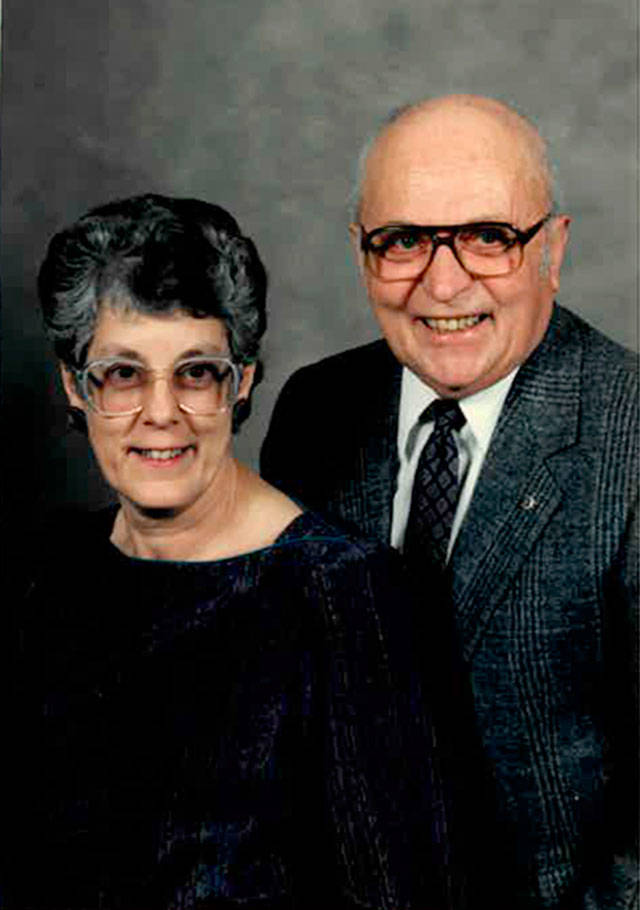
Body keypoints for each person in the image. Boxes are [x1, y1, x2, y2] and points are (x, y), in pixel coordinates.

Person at [7, 194, 449, 909]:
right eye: (122, 373)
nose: (160, 412)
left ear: (241, 382)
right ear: (74, 385)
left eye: (196, 372)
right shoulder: (48, 576)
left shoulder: (342, 593)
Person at [261, 95, 639, 908]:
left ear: (553, 249)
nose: (443, 281)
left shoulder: (632, 435)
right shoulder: (314, 414)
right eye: (403, 240)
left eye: (488, 237)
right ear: (363, 252)